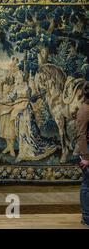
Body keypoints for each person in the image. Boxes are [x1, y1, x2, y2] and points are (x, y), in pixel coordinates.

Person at [77, 81, 89, 227]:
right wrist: (86, 157)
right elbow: (80, 135)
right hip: (87, 152)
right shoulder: (85, 110)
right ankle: (86, 217)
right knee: (87, 184)